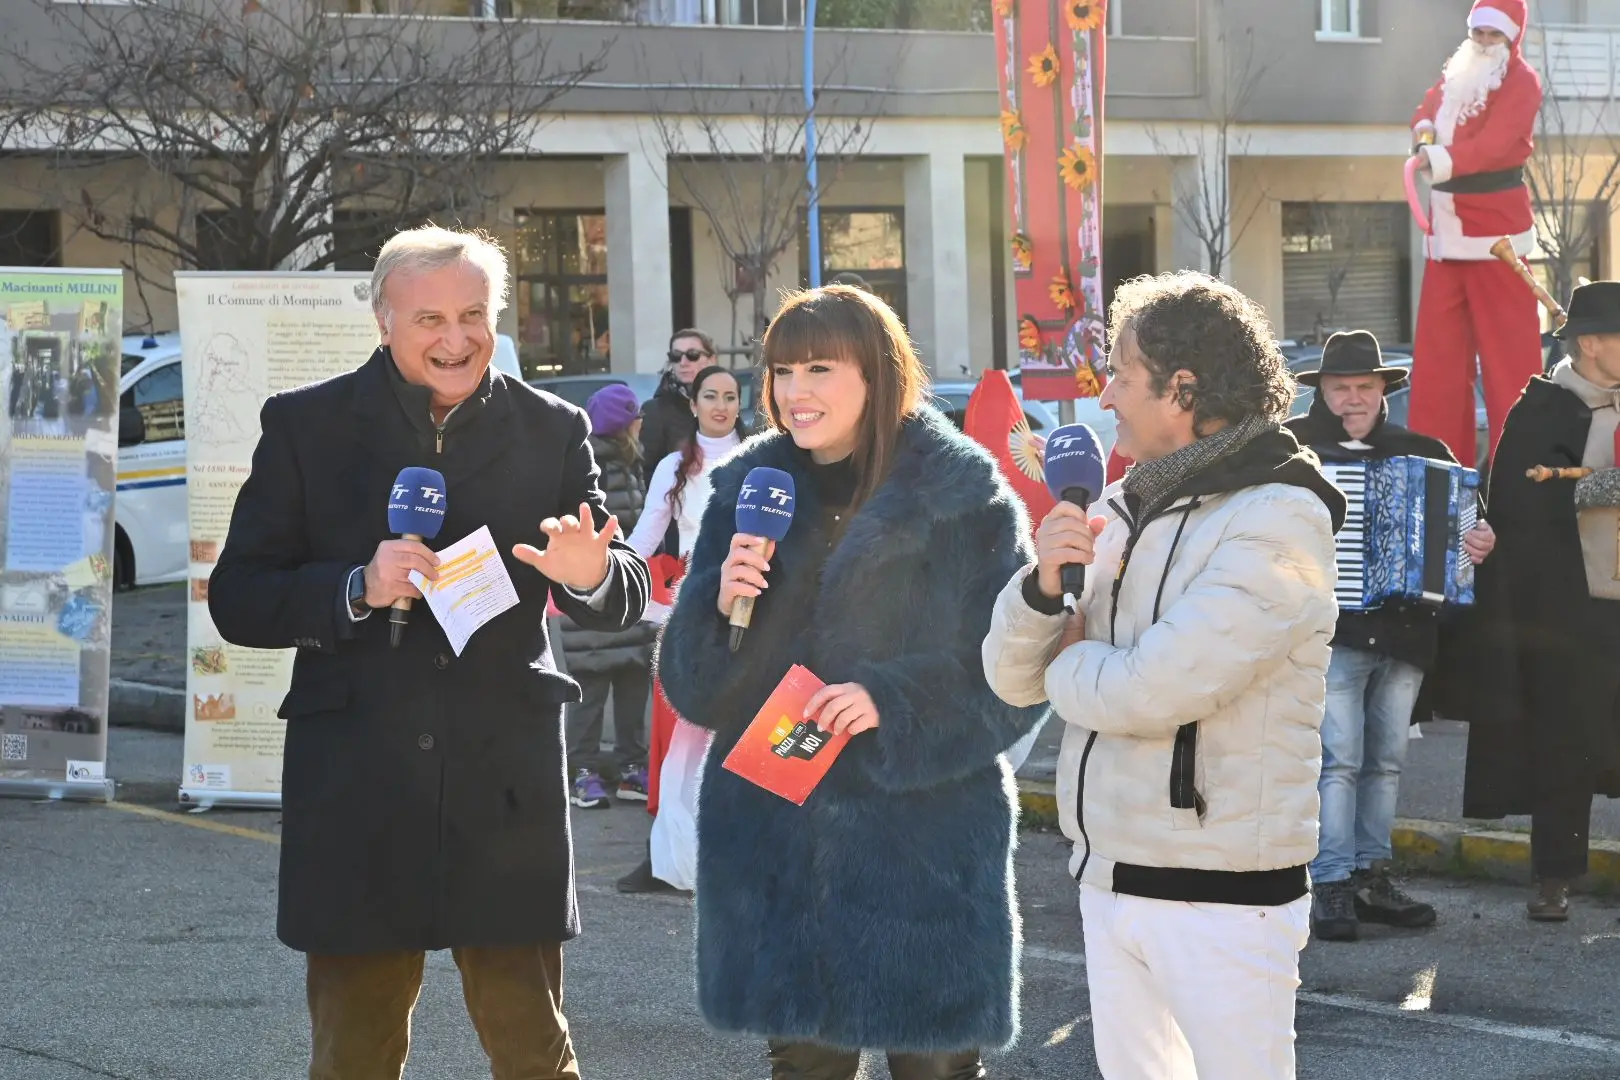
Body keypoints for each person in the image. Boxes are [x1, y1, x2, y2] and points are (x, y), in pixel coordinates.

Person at [206, 225, 649, 1080]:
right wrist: (356, 587)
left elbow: (620, 588)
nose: (457, 340)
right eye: (431, 319)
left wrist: (594, 575)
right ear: (383, 320)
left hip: (502, 787)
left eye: (475, 315)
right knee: (354, 1055)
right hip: (359, 783)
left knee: (533, 1049)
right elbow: (239, 596)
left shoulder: (552, 429)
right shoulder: (306, 426)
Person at [657, 285, 1045, 1080]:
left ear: (876, 373)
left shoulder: (963, 498)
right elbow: (695, 690)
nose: (795, 393)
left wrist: (891, 700)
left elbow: (1014, 674)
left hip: (923, 861)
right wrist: (727, 606)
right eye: (782, 371)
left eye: (819, 369)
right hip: (780, 861)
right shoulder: (747, 491)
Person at [982, 271, 1345, 1080]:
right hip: (1109, 878)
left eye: (1119, 373)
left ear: (1181, 389)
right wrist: (1044, 589)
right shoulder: (1121, 502)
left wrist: (1068, 657)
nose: (1104, 397)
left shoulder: (1282, 514)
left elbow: (1157, 686)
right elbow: (1009, 679)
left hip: (1221, 896)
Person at [1285, 330, 1497, 942]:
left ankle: (1371, 877)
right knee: (1339, 757)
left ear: (1384, 391)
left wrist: (1480, 542)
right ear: (1321, 391)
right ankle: (1328, 883)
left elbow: (1467, 535)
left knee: (1386, 760)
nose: (1353, 398)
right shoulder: (1295, 455)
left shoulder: (1424, 452)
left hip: (1406, 634)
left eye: (1365, 387)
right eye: (1340, 387)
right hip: (1331, 631)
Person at [1465, 279, 1620, 922]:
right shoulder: (1541, 411)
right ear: (1590, 344)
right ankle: (1554, 877)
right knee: (1565, 742)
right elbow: (1522, 504)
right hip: (1569, 608)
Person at [615, 364, 745, 895]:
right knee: (684, 744)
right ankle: (676, 862)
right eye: (710, 396)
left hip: (749, 605)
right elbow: (645, 536)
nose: (720, 405)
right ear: (692, 404)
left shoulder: (762, 458)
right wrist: (605, 575)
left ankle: (739, 859)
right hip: (692, 607)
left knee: (737, 738)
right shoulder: (674, 466)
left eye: (731, 396)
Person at [1407, 0, 1543, 469]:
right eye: (1478, 33)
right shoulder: (1456, 72)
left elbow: (1495, 146)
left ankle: (1522, 477)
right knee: (1437, 368)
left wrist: (1439, 161)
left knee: (1512, 371)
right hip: (1445, 240)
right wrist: (1425, 136)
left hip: (1496, 243)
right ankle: (1436, 469)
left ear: (1511, 38)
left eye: (1493, 35)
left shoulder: (1522, 83)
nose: (1484, 42)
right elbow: (1426, 110)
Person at [560, 384, 657, 809]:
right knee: (592, 691)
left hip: (623, 600)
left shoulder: (629, 462)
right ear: (626, 424)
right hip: (593, 600)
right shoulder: (592, 466)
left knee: (630, 684)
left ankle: (628, 769)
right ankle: (583, 771)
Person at [638, 327, 715, 486]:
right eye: (676, 356)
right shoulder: (655, 410)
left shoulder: (724, 404)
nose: (683, 362)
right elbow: (644, 472)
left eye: (692, 355)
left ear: (711, 360)